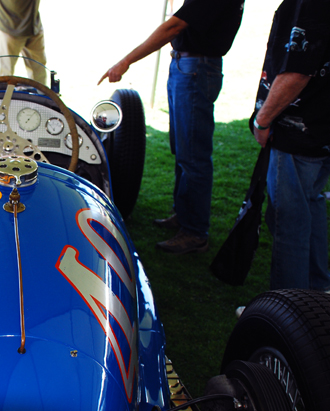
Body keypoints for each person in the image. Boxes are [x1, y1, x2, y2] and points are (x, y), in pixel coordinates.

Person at [98, 0, 244, 254]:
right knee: (183, 148)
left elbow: (173, 27)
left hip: (196, 69)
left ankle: (195, 232)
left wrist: (125, 61)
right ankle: (184, 215)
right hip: (188, 66)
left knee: (193, 155)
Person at [251, 0, 330, 290]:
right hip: (317, 130)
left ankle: (290, 309)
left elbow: (297, 71)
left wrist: (263, 119)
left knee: (290, 222)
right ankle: (317, 294)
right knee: (310, 205)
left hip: (300, 132)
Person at [0, 0, 47, 85]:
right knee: (6, 74)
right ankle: (3, 98)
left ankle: (42, 97)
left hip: (33, 26)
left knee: (39, 71)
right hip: (9, 26)